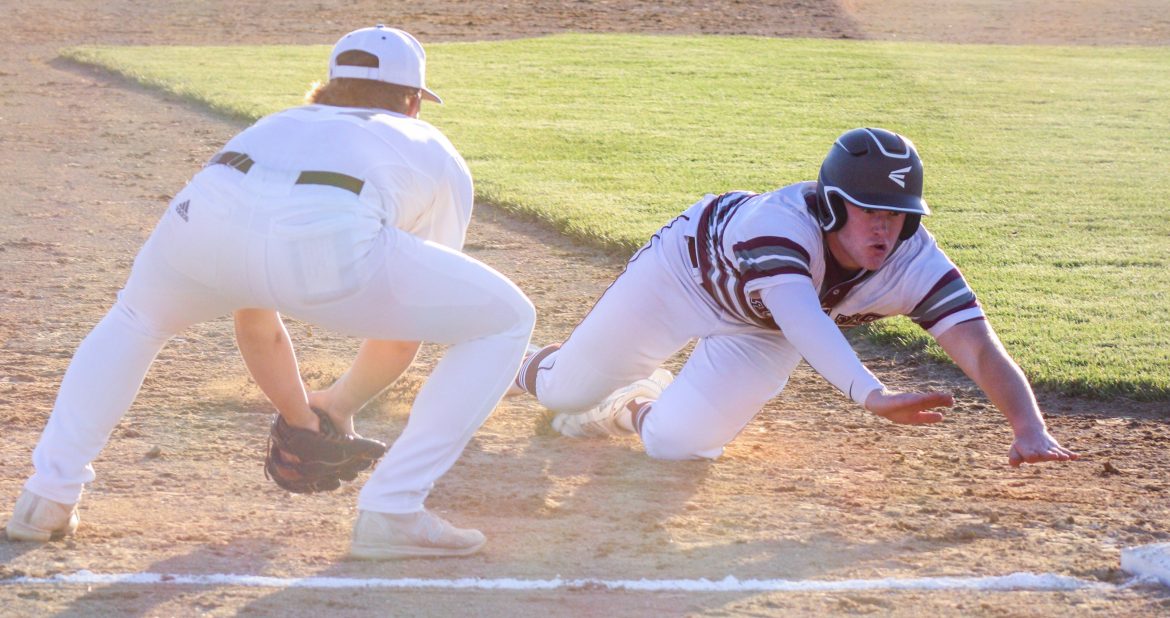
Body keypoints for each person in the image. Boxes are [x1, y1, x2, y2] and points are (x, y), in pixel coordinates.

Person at [6, 25, 535, 560]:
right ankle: (394, 509)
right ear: (413, 101)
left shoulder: (273, 126)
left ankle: (46, 496)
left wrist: (303, 413)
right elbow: (404, 330)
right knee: (505, 319)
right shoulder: (432, 149)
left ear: (329, 88)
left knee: (135, 321)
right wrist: (343, 401)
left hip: (199, 227)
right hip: (330, 243)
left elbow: (253, 312)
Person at [512, 127, 1078, 468]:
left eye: (899, 214)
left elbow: (978, 347)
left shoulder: (913, 258)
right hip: (682, 278)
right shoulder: (779, 225)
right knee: (565, 392)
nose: (887, 227)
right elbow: (807, 322)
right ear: (831, 204)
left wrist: (1029, 427)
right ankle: (521, 356)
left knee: (676, 445)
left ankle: (628, 404)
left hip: (762, 329)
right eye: (870, 209)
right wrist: (871, 393)